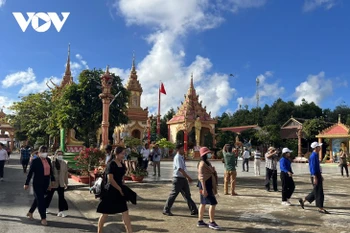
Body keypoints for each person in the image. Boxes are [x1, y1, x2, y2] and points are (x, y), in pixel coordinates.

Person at [97, 146, 133, 233]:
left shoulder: (122, 164)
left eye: (124, 154)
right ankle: (99, 231)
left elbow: (122, 178)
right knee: (105, 214)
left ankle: (130, 231)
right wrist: (119, 189)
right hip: (110, 191)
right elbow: (110, 179)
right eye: (122, 154)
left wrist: (123, 188)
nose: (123, 156)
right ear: (116, 154)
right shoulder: (111, 164)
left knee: (125, 212)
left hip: (120, 190)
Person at [163, 143, 198, 216]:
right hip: (178, 178)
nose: (183, 150)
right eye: (182, 149)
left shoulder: (181, 157)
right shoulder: (177, 157)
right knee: (173, 194)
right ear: (178, 150)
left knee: (187, 195)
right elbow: (180, 169)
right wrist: (188, 177)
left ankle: (194, 209)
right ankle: (166, 209)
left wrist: (186, 177)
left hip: (183, 178)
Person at [24, 146, 55, 226]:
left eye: (45, 151)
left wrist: (53, 180)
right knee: (41, 200)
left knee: (38, 199)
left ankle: (30, 212)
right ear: (39, 152)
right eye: (42, 151)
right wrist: (26, 183)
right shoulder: (35, 161)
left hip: (46, 182)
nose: (44, 153)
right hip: (37, 183)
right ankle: (43, 218)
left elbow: (51, 171)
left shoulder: (48, 160)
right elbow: (30, 173)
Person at [299, 142, 330, 214]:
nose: (320, 148)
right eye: (319, 146)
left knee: (315, 191)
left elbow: (317, 167)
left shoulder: (315, 155)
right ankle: (320, 208)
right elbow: (312, 168)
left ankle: (303, 200)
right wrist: (315, 177)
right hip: (315, 175)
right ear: (316, 148)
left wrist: (320, 175)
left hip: (317, 175)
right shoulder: (313, 156)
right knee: (319, 192)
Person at [197, 147, 220, 230]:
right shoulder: (202, 164)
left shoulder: (207, 162)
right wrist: (204, 189)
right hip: (205, 186)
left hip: (208, 185)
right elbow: (202, 177)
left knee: (203, 203)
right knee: (213, 203)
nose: (209, 154)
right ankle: (211, 222)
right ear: (204, 154)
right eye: (208, 153)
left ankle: (200, 221)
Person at [45, 150, 69, 217]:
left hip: (61, 183)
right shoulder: (52, 162)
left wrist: (66, 183)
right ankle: (45, 207)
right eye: (58, 154)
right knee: (49, 196)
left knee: (61, 197)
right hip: (53, 183)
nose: (60, 156)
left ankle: (61, 211)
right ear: (55, 155)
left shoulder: (64, 163)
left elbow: (66, 174)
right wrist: (49, 183)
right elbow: (49, 173)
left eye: (61, 154)